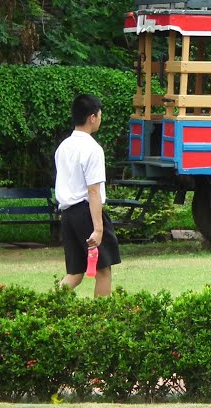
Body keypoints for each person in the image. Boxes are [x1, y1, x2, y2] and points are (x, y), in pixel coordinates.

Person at [54, 93, 121, 296]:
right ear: (92, 117)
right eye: (99, 114)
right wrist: (98, 229)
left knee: (75, 273)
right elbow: (93, 191)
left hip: (68, 214)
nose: (100, 118)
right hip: (86, 214)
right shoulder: (93, 149)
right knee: (103, 269)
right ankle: (101, 321)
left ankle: (45, 308)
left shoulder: (63, 147)